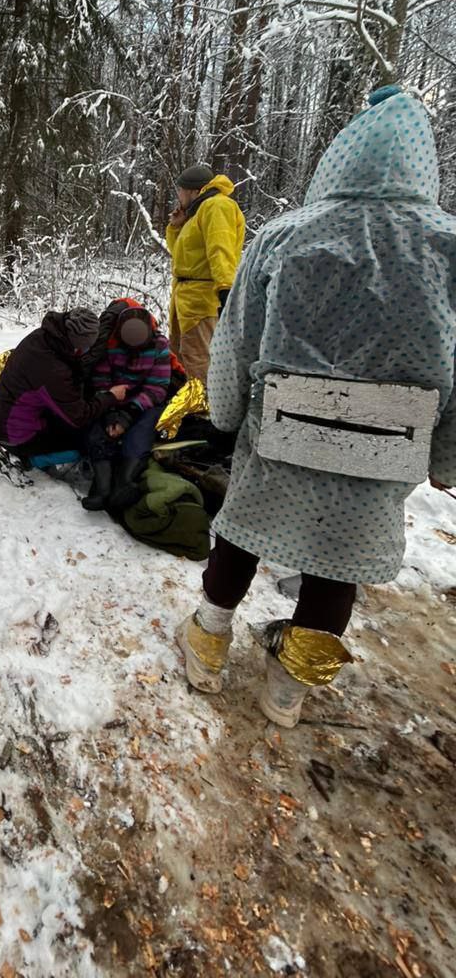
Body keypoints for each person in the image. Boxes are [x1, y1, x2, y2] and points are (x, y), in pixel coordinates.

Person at [176, 87, 456, 727]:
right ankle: (287, 689)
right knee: (338, 561)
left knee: (242, 530)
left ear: (340, 156)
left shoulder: (285, 235)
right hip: (390, 439)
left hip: (283, 426)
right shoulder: (448, 246)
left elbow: (237, 342)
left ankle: (208, 642)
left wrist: (222, 415)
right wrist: (447, 455)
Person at [0, 308, 127, 459]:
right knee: (89, 438)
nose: (86, 352)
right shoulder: (52, 369)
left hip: (2, 419)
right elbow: (79, 416)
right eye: (85, 348)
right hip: (17, 436)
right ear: (77, 344)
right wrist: (111, 396)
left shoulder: (42, 338)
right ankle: (29, 462)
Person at [82, 300, 177, 512]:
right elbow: (101, 381)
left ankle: (124, 481)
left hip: (144, 401)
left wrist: (129, 413)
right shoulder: (110, 345)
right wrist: (110, 413)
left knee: (143, 428)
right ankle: (102, 486)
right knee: (95, 426)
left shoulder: (159, 346)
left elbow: (158, 387)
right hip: (113, 397)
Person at [166, 163, 245, 383]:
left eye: (180, 191)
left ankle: (202, 411)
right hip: (185, 297)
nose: (178, 196)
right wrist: (176, 226)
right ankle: (185, 403)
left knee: (198, 357)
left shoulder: (217, 206)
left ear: (193, 190)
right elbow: (180, 255)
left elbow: (221, 248)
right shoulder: (198, 212)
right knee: (179, 354)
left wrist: (225, 288)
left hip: (202, 298)